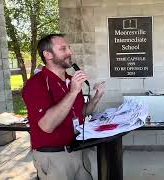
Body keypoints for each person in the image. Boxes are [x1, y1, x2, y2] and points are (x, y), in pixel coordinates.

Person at [22, 33, 105, 180]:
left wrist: (96, 99)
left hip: (78, 151)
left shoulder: (71, 80)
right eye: (63, 49)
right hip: (54, 157)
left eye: (69, 48)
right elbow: (47, 125)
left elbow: (80, 113)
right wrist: (73, 92)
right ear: (47, 54)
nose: (70, 52)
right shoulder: (36, 84)